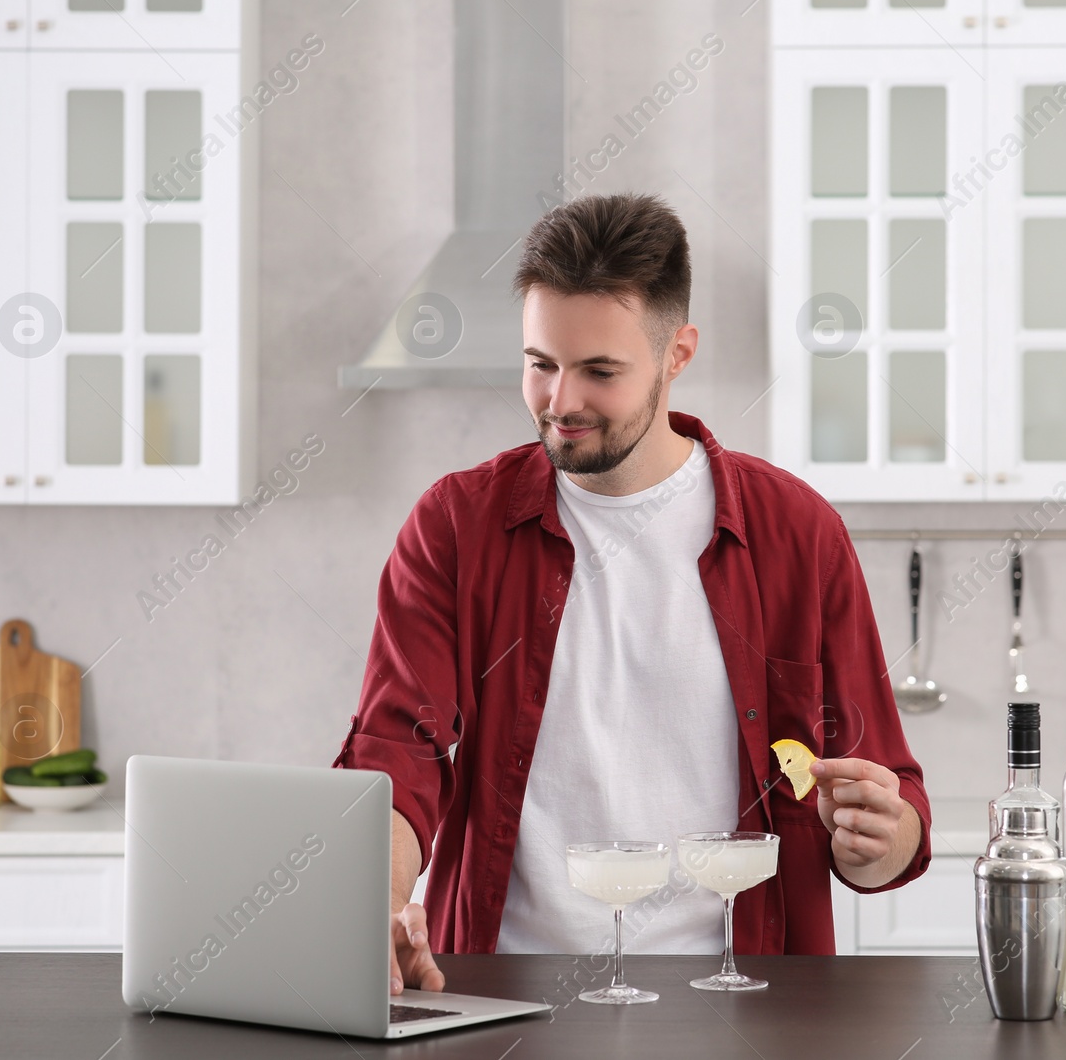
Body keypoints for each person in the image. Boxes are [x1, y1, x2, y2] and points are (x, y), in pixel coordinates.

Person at [333, 193, 931, 995]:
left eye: (600, 371)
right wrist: (376, 901)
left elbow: (887, 791)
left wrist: (877, 840)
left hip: (742, 1000)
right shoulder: (455, 526)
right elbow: (396, 750)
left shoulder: (797, 532)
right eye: (540, 363)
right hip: (505, 995)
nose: (561, 401)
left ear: (677, 353)